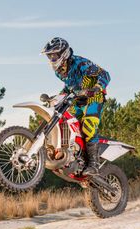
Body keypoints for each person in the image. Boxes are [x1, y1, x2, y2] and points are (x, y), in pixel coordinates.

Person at [41, 37, 110, 176]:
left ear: (64, 54)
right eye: (50, 56)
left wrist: (96, 88)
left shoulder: (81, 63)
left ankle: (94, 164)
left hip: (94, 97)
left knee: (88, 125)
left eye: (54, 55)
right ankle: (76, 157)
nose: (52, 58)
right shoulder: (59, 71)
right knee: (67, 123)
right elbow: (69, 87)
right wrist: (56, 98)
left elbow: (105, 74)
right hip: (78, 100)